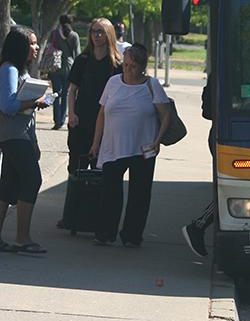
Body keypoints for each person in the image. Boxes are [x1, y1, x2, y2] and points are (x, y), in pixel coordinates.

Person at [89, 43, 171, 246]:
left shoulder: (151, 85)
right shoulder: (113, 82)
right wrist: (95, 143)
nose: (127, 69)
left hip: (143, 148)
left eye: (132, 66)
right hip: (112, 146)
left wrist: (157, 141)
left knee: (139, 194)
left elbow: (166, 115)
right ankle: (105, 233)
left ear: (142, 67)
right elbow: (101, 114)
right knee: (109, 193)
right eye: (125, 65)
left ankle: (132, 236)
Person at [57, 18, 122, 229]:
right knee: (76, 168)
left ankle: (94, 219)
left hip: (105, 124)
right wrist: (71, 114)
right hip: (81, 121)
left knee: (99, 170)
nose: (96, 35)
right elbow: (72, 90)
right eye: (94, 31)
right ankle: (70, 217)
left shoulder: (116, 64)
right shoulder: (83, 59)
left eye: (101, 32)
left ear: (109, 34)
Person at [0, 27, 49, 253]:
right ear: (20, 46)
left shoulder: (22, 70)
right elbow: (8, 106)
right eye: (31, 43)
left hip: (22, 135)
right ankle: (22, 238)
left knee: (8, 188)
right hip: (12, 136)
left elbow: (25, 111)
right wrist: (35, 101)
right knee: (32, 180)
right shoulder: (9, 69)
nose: (36, 47)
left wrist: (35, 142)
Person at [182, 74, 214, 257]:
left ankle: (199, 226)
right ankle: (198, 226)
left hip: (221, 133)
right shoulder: (232, 66)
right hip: (225, 134)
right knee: (237, 189)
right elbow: (208, 110)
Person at [48, 15, 81, 130]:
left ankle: (56, 120)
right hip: (69, 67)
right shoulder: (74, 35)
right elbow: (77, 54)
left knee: (56, 94)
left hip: (56, 67)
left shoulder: (54, 34)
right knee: (67, 94)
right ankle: (62, 119)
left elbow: (49, 48)